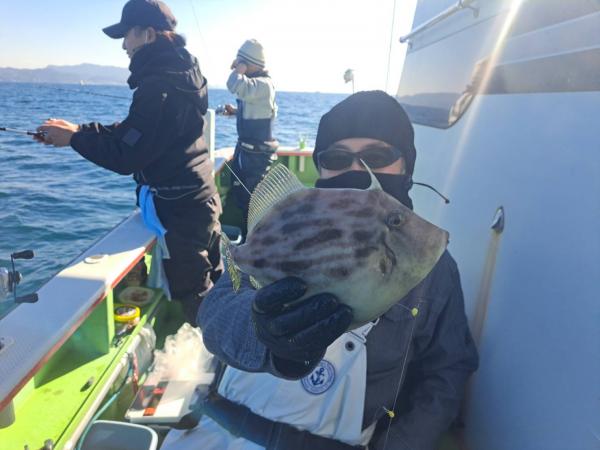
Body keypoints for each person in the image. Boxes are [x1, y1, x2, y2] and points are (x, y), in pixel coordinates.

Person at [163, 91, 479, 450]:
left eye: (377, 157)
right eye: (337, 158)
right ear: (321, 167)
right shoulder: (293, 227)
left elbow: (445, 371)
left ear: (406, 165)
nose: (357, 170)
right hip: (227, 429)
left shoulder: (436, 270)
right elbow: (216, 315)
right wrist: (265, 338)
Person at [36, 0, 222, 322]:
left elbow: (128, 155)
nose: (124, 45)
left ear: (147, 34)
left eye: (127, 36)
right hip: (200, 197)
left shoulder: (158, 84)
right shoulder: (185, 72)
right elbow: (137, 131)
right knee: (217, 281)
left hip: (180, 210)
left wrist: (73, 140)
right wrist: (79, 130)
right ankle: (229, 338)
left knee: (196, 295)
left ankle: (225, 346)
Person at [223, 39, 278, 227]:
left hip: (255, 156)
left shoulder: (263, 84)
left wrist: (239, 68)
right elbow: (260, 109)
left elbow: (234, 84)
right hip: (248, 152)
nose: (237, 64)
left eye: (241, 61)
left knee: (252, 201)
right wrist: (236, 112)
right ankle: (250, 236)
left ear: (250, 63)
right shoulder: (259, 85)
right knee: (243, 196)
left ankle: (254, 239)